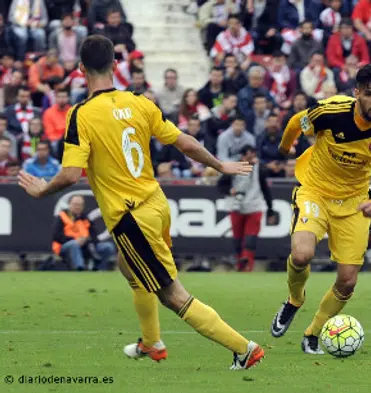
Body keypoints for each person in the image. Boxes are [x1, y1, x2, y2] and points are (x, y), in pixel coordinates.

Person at [17, 35, 264, 370]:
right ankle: (152, 343)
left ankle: (244, 349)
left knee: (172, 294)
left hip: (132, 216)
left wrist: (43, 190)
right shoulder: (140, 102)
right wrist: (219, 164)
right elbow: (184, 142)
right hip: (156, 204)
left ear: (79, 70)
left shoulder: (82, 114)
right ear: (115, 66)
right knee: (126, 263)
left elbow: (71, 174)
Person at [270, 64, 371, 354]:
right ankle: (294, 300)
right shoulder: (329, 111)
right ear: (356, 93)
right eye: (369, 94)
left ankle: (313, 333)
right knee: (302, 254)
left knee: (347, 280)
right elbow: (296, 122)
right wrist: (284, 148)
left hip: (355, 202)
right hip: (315, 191)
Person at [218, 145, 276, 272]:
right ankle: (240, 264)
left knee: (250, 238)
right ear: (243, 156)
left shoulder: (259, 169)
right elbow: (220, 184)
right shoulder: (234, 168)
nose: (251, 159)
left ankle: (247, 264)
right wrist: (230, 190)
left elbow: (266, 190)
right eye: (248, 156)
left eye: (253, 156)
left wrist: (270, 210)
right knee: (238, 239)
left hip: (254, 206)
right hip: (236, 206)